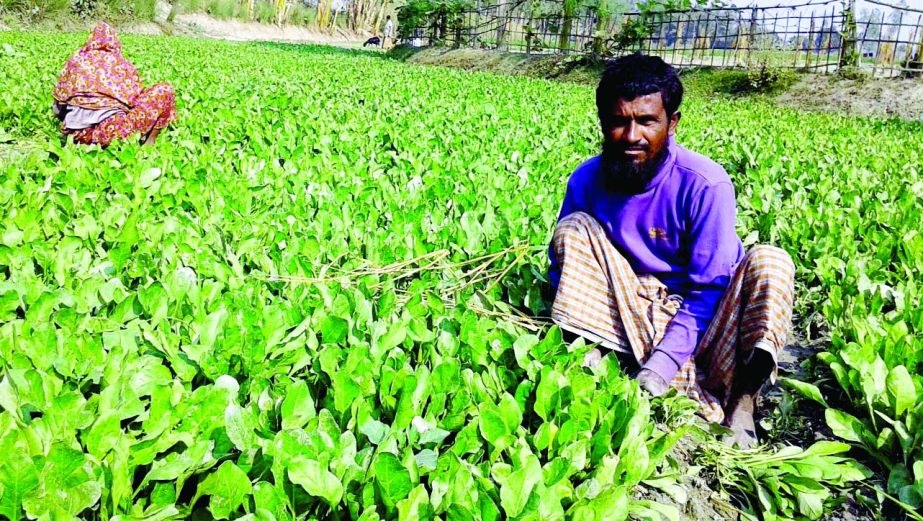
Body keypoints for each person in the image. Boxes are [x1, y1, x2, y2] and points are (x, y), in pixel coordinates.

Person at [547, 53, 795, 448]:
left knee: (772, 263)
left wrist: (662, 367)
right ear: (602, 121)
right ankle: (599, 361)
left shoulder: (705, 184)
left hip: (706, 323)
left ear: (672, 122)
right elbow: (563, 267)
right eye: (619, 121)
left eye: (647, 121)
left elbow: (709, 291)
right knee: (573, 229)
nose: (632, 136)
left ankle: (743, 402)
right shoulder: (586, 179)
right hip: (629, 313)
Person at [52, 22, 176, 147]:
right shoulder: (121, 64)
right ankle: (150, 141)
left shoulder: (76, 60)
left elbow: (59, 106)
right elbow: (135, 101)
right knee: (164, 90)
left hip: (78, 135)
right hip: (111, 132)